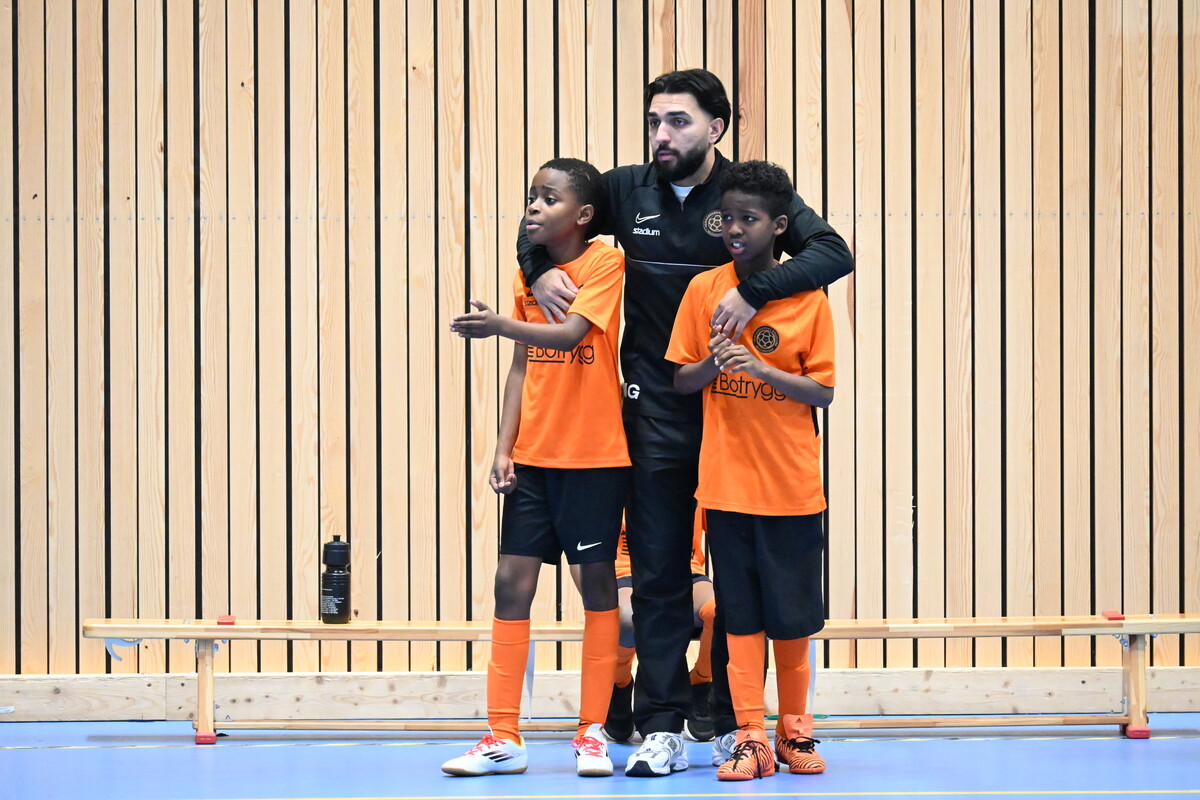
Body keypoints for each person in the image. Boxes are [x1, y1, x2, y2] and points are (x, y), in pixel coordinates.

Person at [516, 68, 853, 777]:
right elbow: (548, 214)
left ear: (716, 128)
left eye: (678, 121)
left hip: (742, 417)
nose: (662, 135)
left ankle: (736, 724)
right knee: (660, 573)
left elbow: (833, 253)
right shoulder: (626, 189)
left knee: (741, 578)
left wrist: (756, 291)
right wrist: (535, 265)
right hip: (657, 409)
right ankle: (661, 722)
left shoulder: (745, 196)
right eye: (654, 121)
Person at [442, 158, 628, 778]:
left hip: (593, 458)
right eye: (531, 196)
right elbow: (523, 362)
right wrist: (504, 446)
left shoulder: (604, 263)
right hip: (534, 458)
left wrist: (499, 324)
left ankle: (591, 731)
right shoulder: (532, 274)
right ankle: (503, 735)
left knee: (596, 588)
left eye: (549, 198)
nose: (533, 207)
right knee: (510, 583)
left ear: (584, 215)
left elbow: (572, 335)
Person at [666, 160, 833, 780]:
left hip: (791, 488)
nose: (735, 229)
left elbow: (823, 392)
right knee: (739, 617)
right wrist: (715, 363)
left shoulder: (808, 296)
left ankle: (795, 732)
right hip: (727, 487)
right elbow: (681, 379)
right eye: (727, 218)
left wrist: (762, 369)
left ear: (780, 226)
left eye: (749, 219)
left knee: (792, 618)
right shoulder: (703, 290)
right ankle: (750, 735)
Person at [572, 510, 717, 743]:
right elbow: (577, 548)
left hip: (687, 572)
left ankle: (701, 682)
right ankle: (619, 683)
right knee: (626, 617)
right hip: (624, 573)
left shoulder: (696, 488)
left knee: (720, 611)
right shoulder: (609, 488)